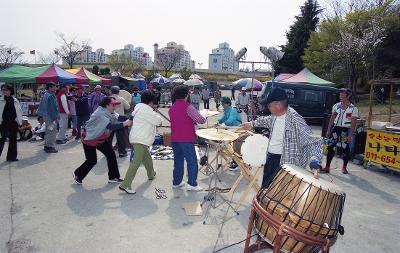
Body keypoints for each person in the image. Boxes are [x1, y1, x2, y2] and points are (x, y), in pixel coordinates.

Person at [242, 87, 322, 188]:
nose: (268, 108)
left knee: (277, 192)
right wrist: (251, 123)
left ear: (278, 105)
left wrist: (314, 162)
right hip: (271, 158)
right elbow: (267, 120)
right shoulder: (276, 115)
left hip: (285, 163)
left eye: (269, 105)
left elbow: (313, 142)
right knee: (266, 189)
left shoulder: (295, 120)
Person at [73, 97, 132, 185]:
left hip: (99, 138)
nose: (115, 107)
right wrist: (126, 123)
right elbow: (110, 127)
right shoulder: (100, 114)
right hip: (90, 139)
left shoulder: (109, 111)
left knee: (111, 155)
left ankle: (113, 177)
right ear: (107, 105)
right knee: (92, 160)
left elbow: (120, 117)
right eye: (113, 105)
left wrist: (132, 116)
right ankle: (78, 175)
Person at [119, 90, 162, 194]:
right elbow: (158, 122)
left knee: (147, 158)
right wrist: (155, 112)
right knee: (136, 162)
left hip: (138, 138)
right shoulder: (147, 110)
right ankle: (126, 184)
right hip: (140, 139)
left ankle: (151, 174)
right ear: (151, 102)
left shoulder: (138, 107)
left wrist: (153, 111)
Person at [169, 85, 206, 191]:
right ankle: (192, 184)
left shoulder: (173, 107)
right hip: (186, 138)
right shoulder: (188, 107)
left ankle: (177, 182)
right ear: (186, 95)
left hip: (175, 138)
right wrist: (203, 114)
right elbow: (201, 120)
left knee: (178, 161)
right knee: (192, 161)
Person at [322, 88, 359, 174]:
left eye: (342, 95)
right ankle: (327, 167)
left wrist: (350, 135)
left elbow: (353, 123)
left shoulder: (353, 109)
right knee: (330, 146)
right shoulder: (336, 106)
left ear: (348, 96)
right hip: (336, 129)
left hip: (345, 130)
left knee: (344, 148)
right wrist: (328, 130)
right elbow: (332, 118)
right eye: (340, 95)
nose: (340, 97)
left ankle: (344, 167)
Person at [218, 96, 242, 171]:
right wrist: (218, 122)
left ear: (228, 104)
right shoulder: (227, 110)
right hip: (231, 127)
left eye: (223, 103)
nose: (222, 105)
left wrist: (222, 125)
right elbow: (223, 119)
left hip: (236, 127)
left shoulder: (232, 110)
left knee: (226, 141)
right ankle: (232, 157)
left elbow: (230, 121)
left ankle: (236, 160)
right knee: (222, 139)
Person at [0, 84, 22, 161]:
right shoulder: (0, 100)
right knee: (1, 140)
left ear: (10, 90)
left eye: (5, 89)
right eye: (2, 90)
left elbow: (19, 112)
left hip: (13, 123)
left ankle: (11, 157)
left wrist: (20, 122)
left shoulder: (15, 100)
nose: (4, 91)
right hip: (3, 123)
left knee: (13, 140)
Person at [37, 82, 60, 153]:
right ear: (50, 88)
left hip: (47, 116)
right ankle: (50, 146)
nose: (56, 88)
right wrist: (55, 118)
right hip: (50, 117)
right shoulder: (50, 95)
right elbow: (52, 108)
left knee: (48, 130)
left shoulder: (46, 94)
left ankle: (47, 145)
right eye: (54, 86)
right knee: (52, 131)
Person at [109, 86, 130, 157]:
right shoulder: (121, 99)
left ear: (111, 91)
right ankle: (121, 152)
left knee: (109, 138)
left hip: (110, 121)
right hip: (120, 122)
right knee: (121, 138)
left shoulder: (107, 99)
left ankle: (108, 152)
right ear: (118, 92)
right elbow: (128, 107)